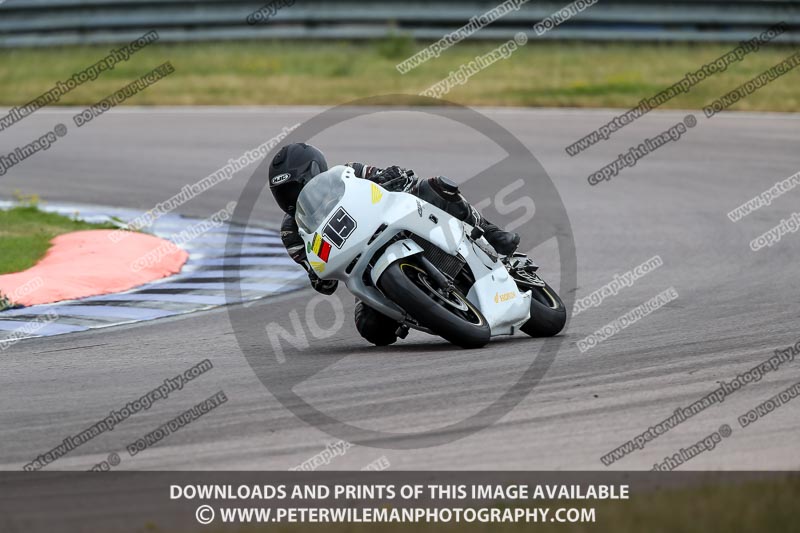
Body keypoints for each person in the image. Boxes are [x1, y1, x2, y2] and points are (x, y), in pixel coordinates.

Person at [268, 142, 520, 345]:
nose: (292, 197)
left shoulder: (348, 174)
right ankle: (417, 307)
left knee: (435, 188)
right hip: (363, 268)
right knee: (373, 331)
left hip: (395, 224)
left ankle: (490, 232)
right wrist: (317, 272)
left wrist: (393, 176)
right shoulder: (292, 231)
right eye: (284, 193)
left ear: (315, 171)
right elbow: (324, 285)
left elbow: (395, 176)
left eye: (295, 187)